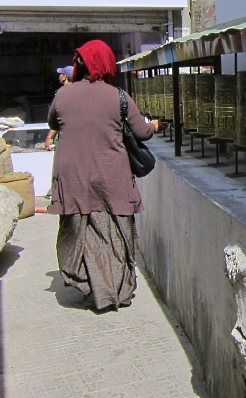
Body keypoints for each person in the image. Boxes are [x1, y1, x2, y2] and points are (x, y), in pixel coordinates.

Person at [46, 40, 164, 310]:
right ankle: (116, 291)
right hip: (112, 178)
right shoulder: (118, 96)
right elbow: (142, 132)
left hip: (73, 179)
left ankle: (88, 284)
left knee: (78, 232)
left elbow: (54, 123)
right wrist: (155, 125)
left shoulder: (62, 95)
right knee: (117, 234)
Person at [44, 66, 74, 151]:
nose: (59, 76)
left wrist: (49, 137)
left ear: (65, 77)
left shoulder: (62, 93)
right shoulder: (78, 91)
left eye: (61, 74)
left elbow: (59, 116)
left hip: (64, 137)